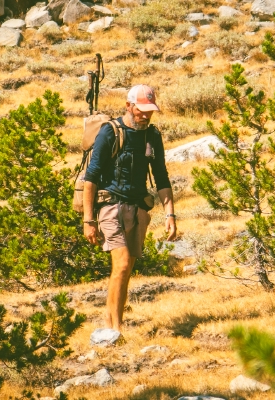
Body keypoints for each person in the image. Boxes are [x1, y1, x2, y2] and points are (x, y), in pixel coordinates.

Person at [83, 84, 177, 333]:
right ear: (128, 106)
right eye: (140, 110)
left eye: (149, 111)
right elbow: (91, 177)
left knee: (125, 271)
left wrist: (170, 214)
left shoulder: (152, 136)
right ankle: (114, 330)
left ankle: (113, 323)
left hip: (138, 210)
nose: (145, 115)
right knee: (122, 265)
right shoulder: (110, 132)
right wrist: (88, 220)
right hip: (110, 206)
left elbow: (161, 177)